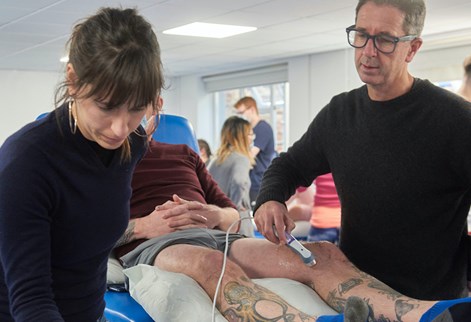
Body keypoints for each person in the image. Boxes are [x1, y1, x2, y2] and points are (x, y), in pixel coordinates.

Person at [114, 109, 471, 322]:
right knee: (208, 265)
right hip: (158, 244)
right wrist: (142, 226)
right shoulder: (100, 161)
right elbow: (75, 230)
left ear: (156, 103)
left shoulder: (183, 153)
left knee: (321, 254)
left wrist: (214, 215)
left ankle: (426, 314)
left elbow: (234, 212)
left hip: (220, 235)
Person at [253, 0, 471, 301]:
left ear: (412, 48)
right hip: (358, 294)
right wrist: (270, 199)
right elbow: (289, 165)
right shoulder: (339, 114)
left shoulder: (457, 120)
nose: (368, 51)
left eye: (384, 39)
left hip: (433, 304)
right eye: (361, 35)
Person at [0, 7, 164, 322]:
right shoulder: (27, 161)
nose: (120, 127)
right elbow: (31, 300)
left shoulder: (133, 142)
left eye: (136, 108)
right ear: (73, 81)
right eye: (107, 107)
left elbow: (88, 228)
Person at [208, 116, 256, 236]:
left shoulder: (214, 160)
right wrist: (236, 206)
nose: (252, 138)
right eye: (250, 134)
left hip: (217, 220)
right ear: (241, 137)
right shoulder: (241, 159)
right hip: (237, 221)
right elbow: (239, 182)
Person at [234, 96, 275, 205]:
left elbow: (250, 155)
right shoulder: (249, 130)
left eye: (242, 112)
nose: (240, 116)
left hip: (258, 181)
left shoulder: (263, 128)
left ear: (252, 109)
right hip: (249, 180)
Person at [308, 173, 341, 244]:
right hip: (345, 220)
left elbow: (300, 187)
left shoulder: (318, 164)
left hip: (322, 220)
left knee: (317, 254)